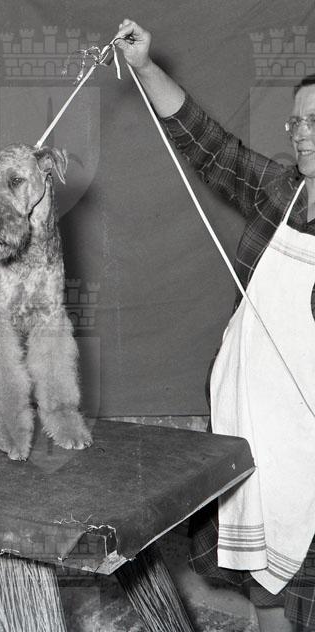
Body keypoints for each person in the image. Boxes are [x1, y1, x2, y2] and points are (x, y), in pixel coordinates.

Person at [113, 19, 315, 632]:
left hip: (307, 435)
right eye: (296, 123)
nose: (302, 134)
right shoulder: (281, 191)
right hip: (251, 421)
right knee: (261, 582)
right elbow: (211, 147)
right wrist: (145, 67)